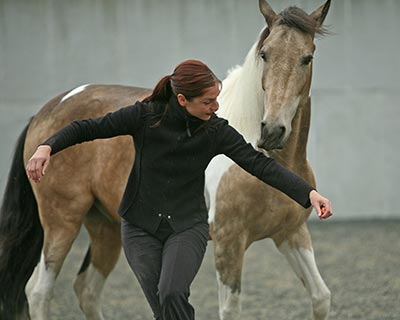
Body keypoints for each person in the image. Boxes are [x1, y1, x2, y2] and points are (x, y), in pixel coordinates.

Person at [26, 60, 333, 320]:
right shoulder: (143, 117)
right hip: (139, 227)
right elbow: (88, 128)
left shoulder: (216, 130)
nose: (216, 107)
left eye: (218, 99)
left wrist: (308, 194)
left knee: (173, 293)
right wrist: (46, 146)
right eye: (209, 102)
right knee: (164, 307)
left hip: (187, 226)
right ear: (183, 100)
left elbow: (259, 164)